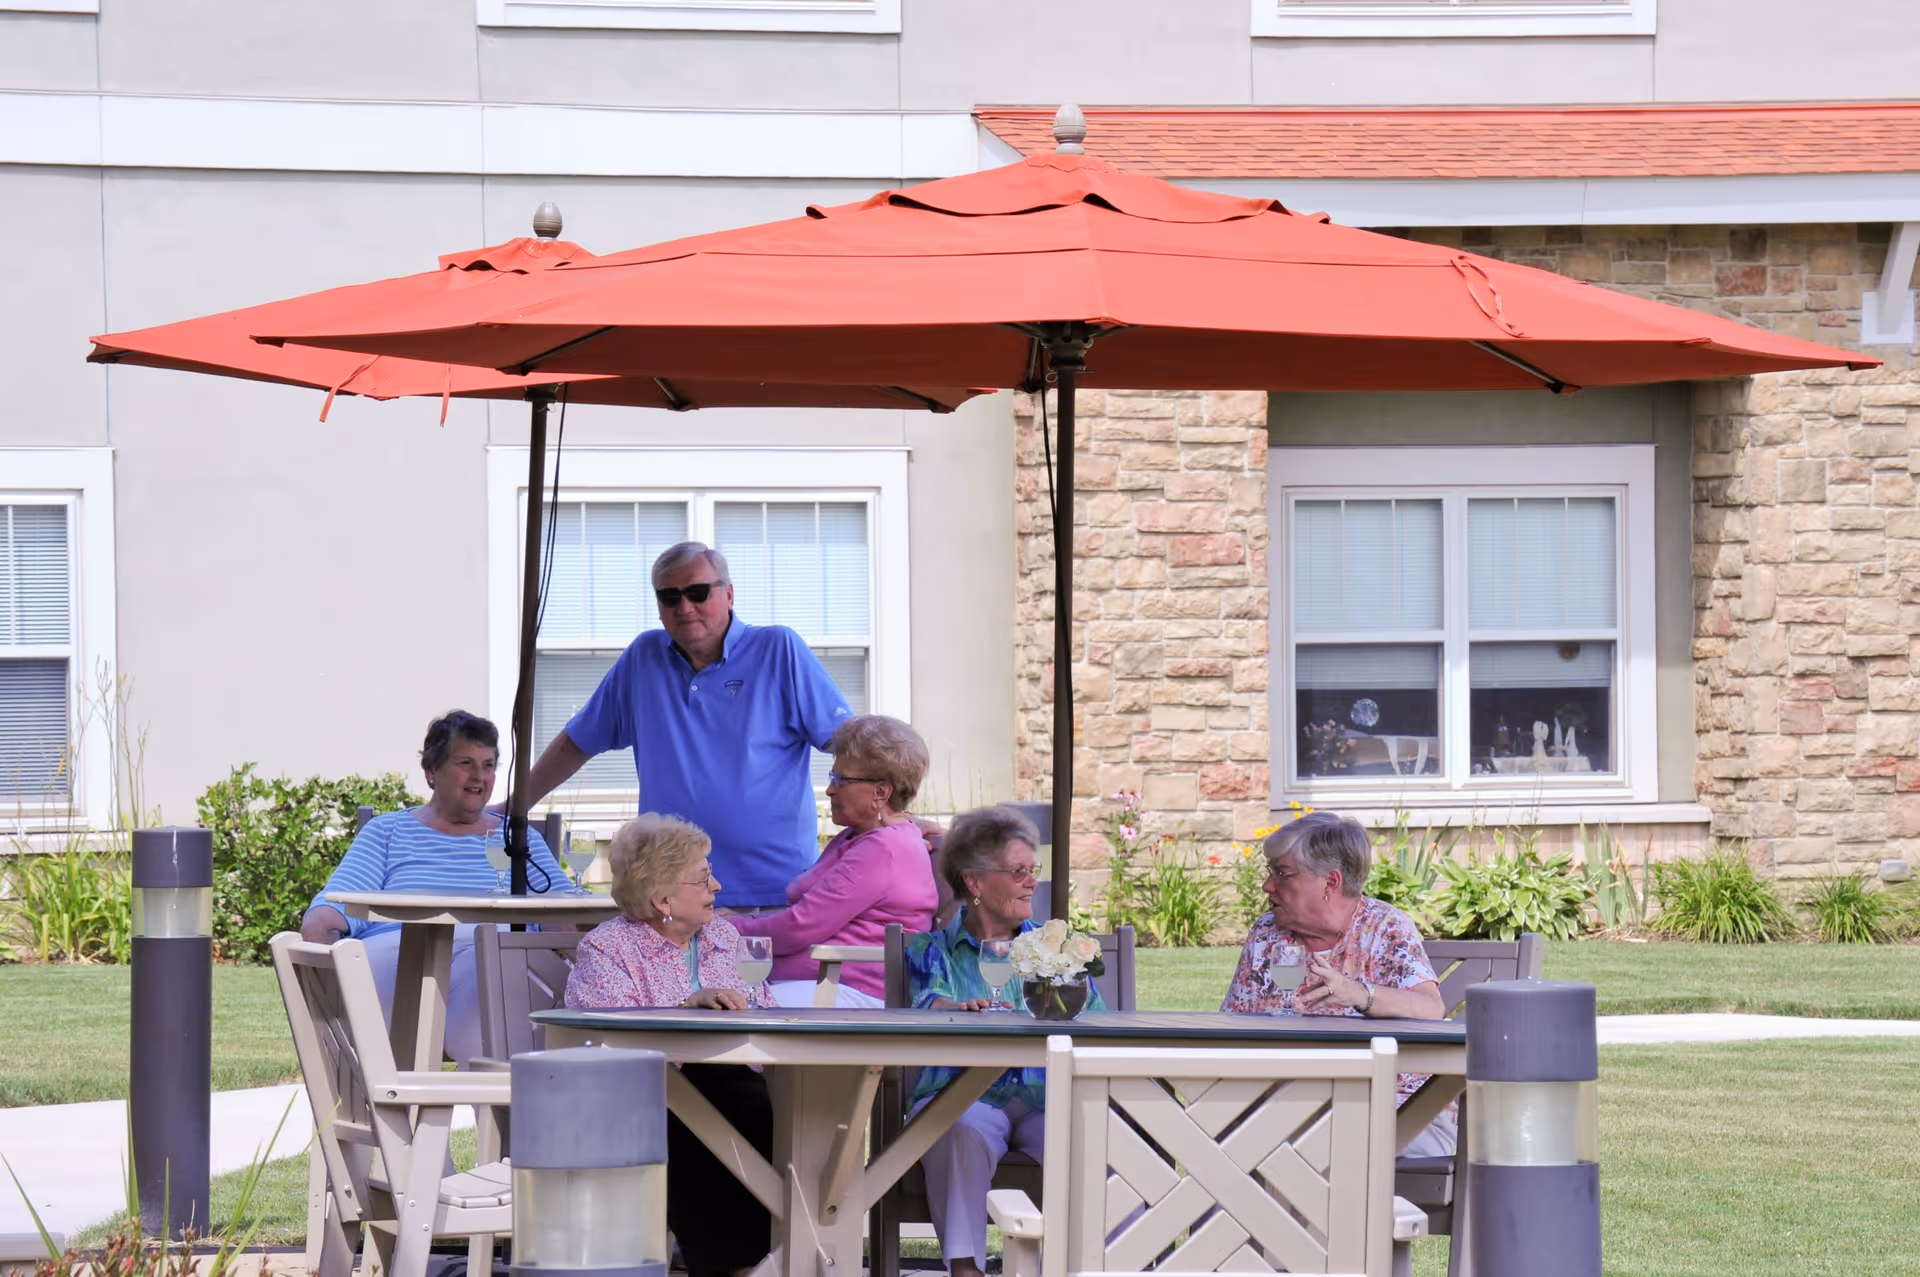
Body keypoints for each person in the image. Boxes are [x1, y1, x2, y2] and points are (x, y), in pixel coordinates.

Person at [516, 541, 850, 908]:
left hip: (768, 895)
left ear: (729, 594)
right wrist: (514, 808)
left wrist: (894, 817)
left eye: (697, 592)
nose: (685, 607)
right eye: (670, 597)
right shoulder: (643, 658)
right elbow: (576, 742)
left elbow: (851, 744)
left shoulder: (778, 649)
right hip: (667, 898)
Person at [565, 814, 774, 1277]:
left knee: (756, 1102)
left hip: (739, 1092)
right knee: (708, 1100)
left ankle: (746, 1263)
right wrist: (686, 1004)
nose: (717, 886)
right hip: (635, 1106)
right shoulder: (609, 949)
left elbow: (764, 1008)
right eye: (703, 879)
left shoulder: (724, 935)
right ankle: (741, 1266)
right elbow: (613, 1038)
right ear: (662, 898)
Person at [903, 807, 1105, 1277]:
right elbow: (926, 1000)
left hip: (1043, 1095)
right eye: (1017, 871)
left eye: (1031, 870)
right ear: (974, 883)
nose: (1031, 882)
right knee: (960, 1127)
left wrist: (1068, 998)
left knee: (1095, 1131)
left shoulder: (1057, 946)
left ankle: (1101, 1265)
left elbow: (1095, 1018)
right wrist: (952, 1009)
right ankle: (966, 1268)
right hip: (963, 1091)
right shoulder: (932, 949)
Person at [300, 710, 566, 1067]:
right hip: (403, 957)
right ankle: (490, 1110)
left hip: (495, 959)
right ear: (431, 772)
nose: (480, 776)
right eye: (465, 763)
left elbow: (564, 918)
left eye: (488, 765)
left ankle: (482, 1111)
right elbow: (326, 918)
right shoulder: (388, 833)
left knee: (492, 986)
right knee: (489, 1004)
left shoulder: (517, 838)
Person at [1220, 810, 1454, 1156]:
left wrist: (1357, 993)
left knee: (1307, 1145)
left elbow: (1430, 1009)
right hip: (1292, 1103)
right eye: (1270, 872)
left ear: (1330, 882)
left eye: (1282, 873)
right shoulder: (1267, 934)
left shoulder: (1385, 928)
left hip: (1398, 1110)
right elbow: (1230, 1027)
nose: (1267, 886)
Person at [733, 715, 938, 1007]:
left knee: (724, 1010)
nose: (830, 789)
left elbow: (798, 927)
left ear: (881, 792)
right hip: (817, 983)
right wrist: (740, 923)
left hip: (850, 990)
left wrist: (721, 930)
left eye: (841, 780)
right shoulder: (861, 837)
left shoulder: (882, 849)